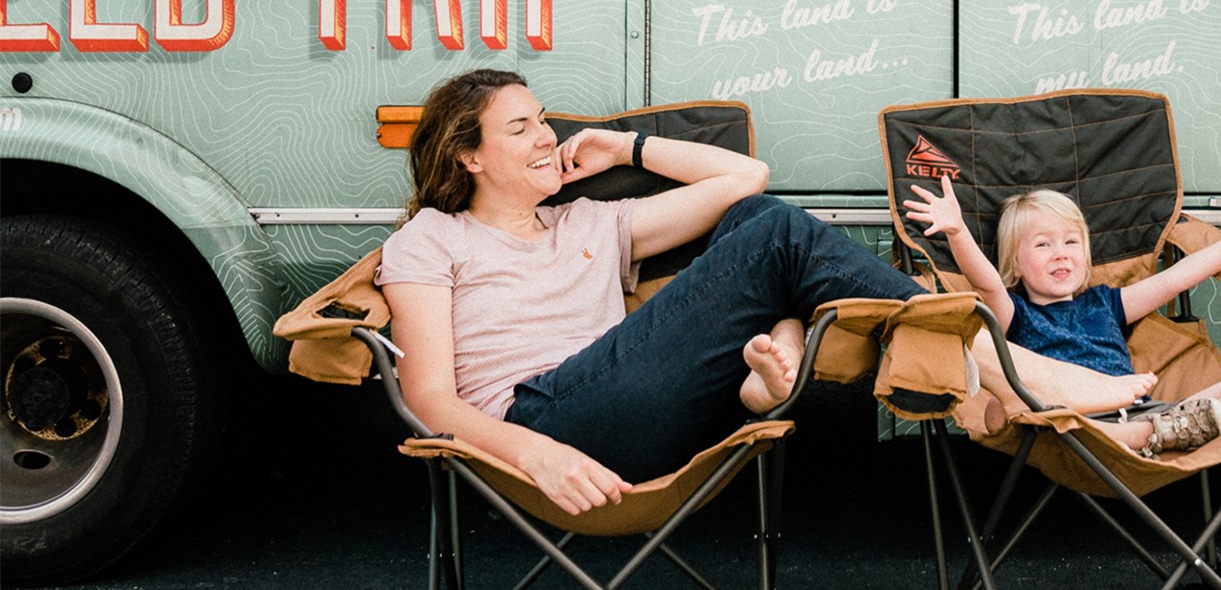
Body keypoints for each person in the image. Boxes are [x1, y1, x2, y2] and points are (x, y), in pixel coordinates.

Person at [377, 69, 1138, 517]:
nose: (546, 137)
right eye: (520, 129)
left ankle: (782, 360)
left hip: (634, 412)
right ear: (469, 155)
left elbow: (744, 178)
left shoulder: (590, 221)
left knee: (756, 216)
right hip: (545, 424)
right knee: (775, 235)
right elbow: (430, 399)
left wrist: (622, 145)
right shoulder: (432, 239)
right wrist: (538, 454)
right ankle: (1013, 369)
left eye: (544, 121)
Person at [904, 177, 1221, 458]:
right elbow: (986, 283)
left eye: (1070, 242)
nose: (1060, 253)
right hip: (1070, 423)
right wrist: (957, 232)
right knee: (1001, 412)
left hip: (1149, 414)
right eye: (1042, 245)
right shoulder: (1016, 314)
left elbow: (1177, 277)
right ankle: (1145, 436)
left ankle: (1154, 434)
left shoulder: (1106, 303)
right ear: (1015, 265)